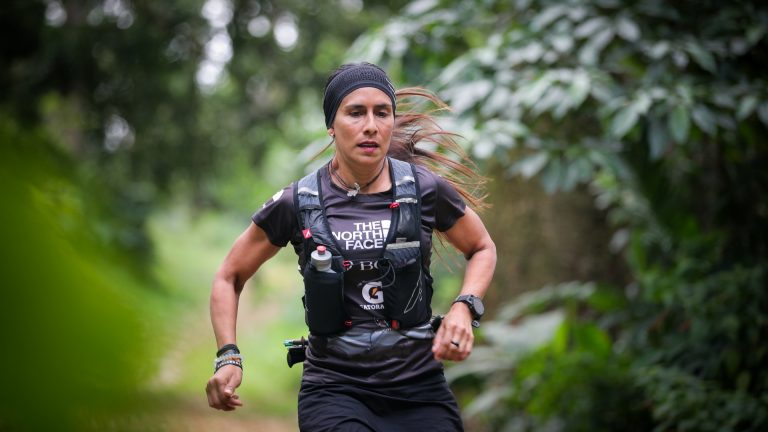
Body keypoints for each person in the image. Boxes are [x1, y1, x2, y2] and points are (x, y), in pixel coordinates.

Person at [205, 62, 496, 431]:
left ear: (392, 121)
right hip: (333, 390)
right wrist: (227, 356)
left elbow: (482, 246)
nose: (371, 125)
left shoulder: (424, 189)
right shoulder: (297, 202)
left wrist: (464, 308)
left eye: (382, 113)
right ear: (331, 125)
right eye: (355, 112)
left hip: (419, 389)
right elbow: (229, 276)